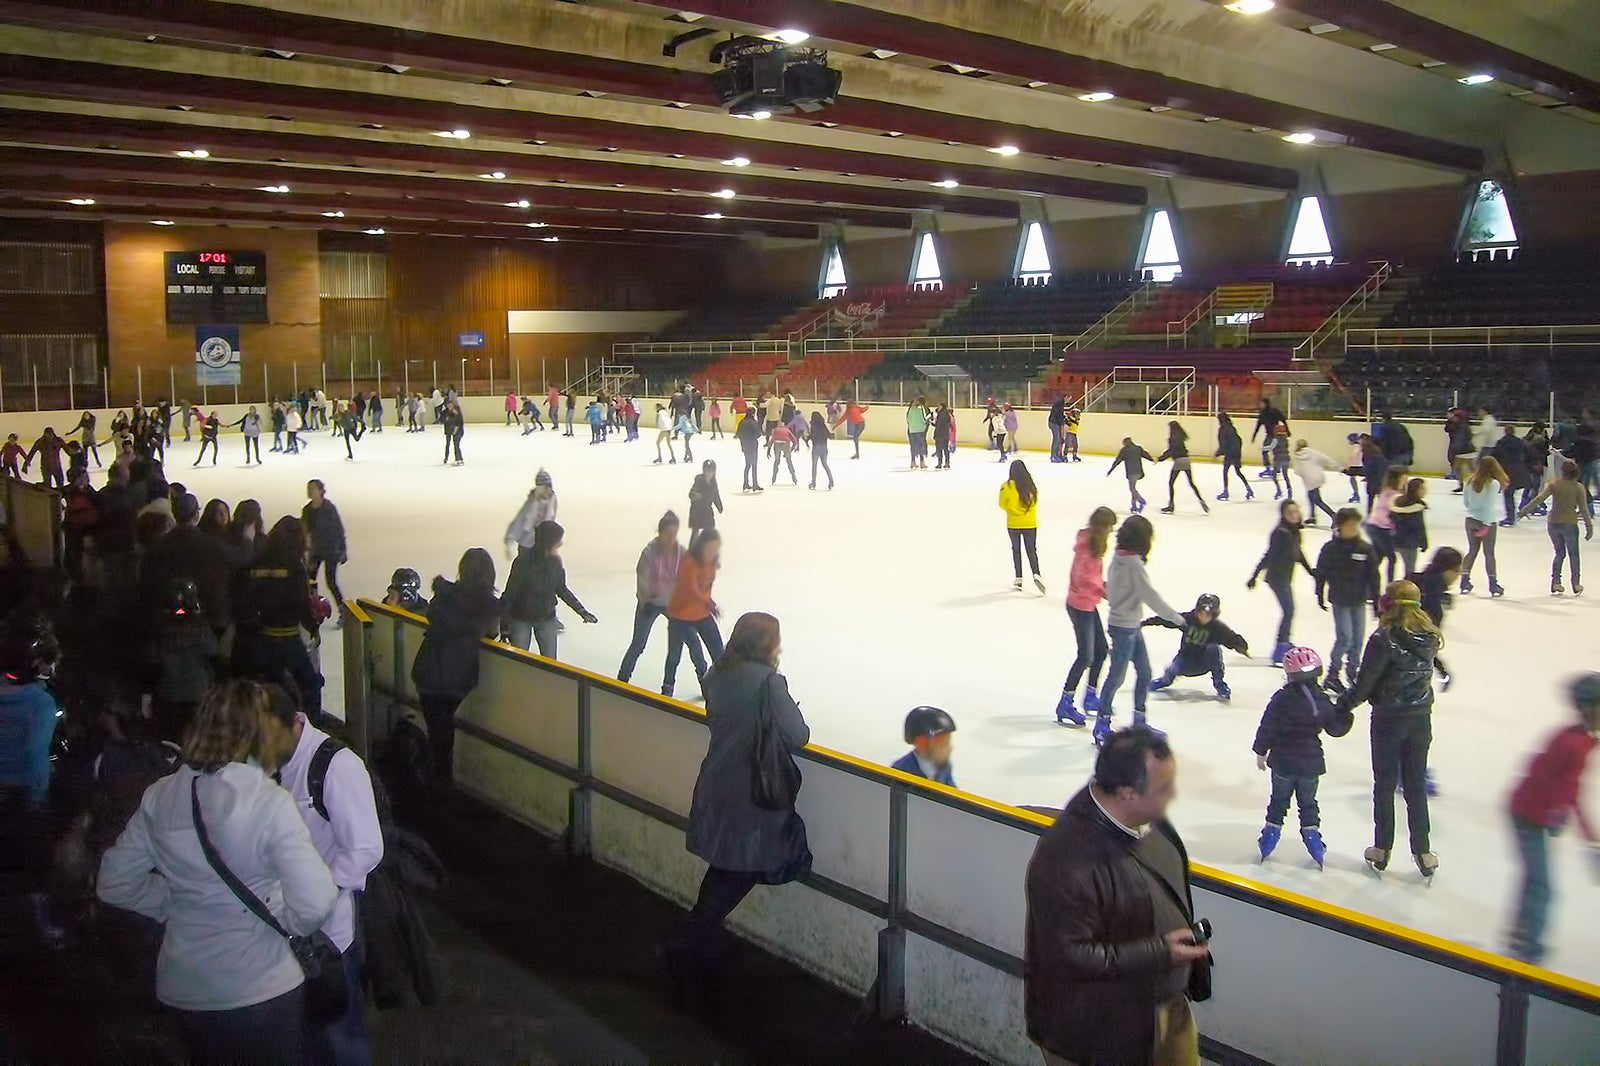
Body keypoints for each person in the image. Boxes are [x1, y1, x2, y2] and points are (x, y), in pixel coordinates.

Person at [97, 681, 339, 1066]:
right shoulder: (266, 801)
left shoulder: (161, 795)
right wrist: (283, 919)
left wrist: (171, 903)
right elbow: (316, 901)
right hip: (262, 987)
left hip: (186, 989)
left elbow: (113, 882)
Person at [1024, 727, 1210, 1066]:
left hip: (1164, 1009)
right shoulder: (1065, 859)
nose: (1173, 797)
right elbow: (1067, 956)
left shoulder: (1150, 823)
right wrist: (1160, 952)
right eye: (1164, 789)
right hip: (1099, 1035)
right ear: (1127, 794)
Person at [668, 613, 810, 996]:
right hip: (752, 791)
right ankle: (693, 938)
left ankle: (700, 936)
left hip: (719, 781)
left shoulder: (716, 675)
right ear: (767, 644)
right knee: (745, 864)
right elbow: (799, 735)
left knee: (728, 863)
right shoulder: (768, 682)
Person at [265, 685, 383, 1065]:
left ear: (292, 723)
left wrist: (312, 894)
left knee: (336, 1040)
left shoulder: (335, 765)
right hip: (279, 935)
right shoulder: (268, 764)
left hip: (326, 939)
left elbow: (366, 849)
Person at [1338, 580, 1444, 880]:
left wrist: (1341, 707)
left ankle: (1382, 848)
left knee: (1384, 785)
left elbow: (1364, 684)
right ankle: (1423, 851)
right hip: (1421, 718)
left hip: (1388, 719)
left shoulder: (1383, 639)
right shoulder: (1430, 637)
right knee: (1414, 786)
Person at [1505, 674, 1600, 966]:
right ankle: (1527, 946)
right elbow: (1561, 788)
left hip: (1529, 812)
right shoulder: (1574, 744)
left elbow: (1544, 773)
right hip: (1527, 816)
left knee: (1535, 880)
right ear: (1589, 708)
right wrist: (1586, 835)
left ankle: (1521, 933)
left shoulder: (1576, 738)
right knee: (1542, 887)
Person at [1252, 646, 1351, 868]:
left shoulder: (1281, 699)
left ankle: (1269, 838)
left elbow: (1267, 726)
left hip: (1282, 762)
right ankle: (1313, 840)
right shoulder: (1321, 700)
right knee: (1308, 804)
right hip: (1310, 764)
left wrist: (1260, 751)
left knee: (1278, 802)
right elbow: (1335, 728)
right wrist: (1347, 713)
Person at [411, 549, 500, 789]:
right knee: (443, 732)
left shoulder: (444, 595)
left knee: (438, 731)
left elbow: (432, 614)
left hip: (429, 672)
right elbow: (492, 632)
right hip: (457, 678)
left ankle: (437, 781)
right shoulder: (488, 605)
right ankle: (440, 786)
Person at [1094, 515, 1186, 746]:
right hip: (1123, 627)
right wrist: (1176, 619)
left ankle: (1139, 722)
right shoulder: (1132, 564)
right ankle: (1101, 724)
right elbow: (1150, 595)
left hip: (1130, 625)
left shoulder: (1119, 558)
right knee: (1117, 675)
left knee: (1144, 672)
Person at [1055, 507, 1116, 727]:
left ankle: (1090, 694)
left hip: (1087, 603)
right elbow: (1083, 579)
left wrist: (1103, 587)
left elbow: (1092, 579)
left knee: (1100, 651)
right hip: (1079, 605)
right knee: (1086, 656)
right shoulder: (1087, 546)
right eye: (1109, 528)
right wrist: (1104, 591)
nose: (1111, 532)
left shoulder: (1093, 543)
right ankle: (1066, 701)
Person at [500, 520, 597, 658]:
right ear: (549, 542)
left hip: (546, 617)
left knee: (551, 662)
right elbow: (510, 593)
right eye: (559, 540)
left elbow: (562, 589)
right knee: (519, 660)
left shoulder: (555, 562)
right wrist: (504, 626)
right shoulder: (523, 562)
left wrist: (582, 611)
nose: (561, 543)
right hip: (521, 618)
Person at [1315, 508, 1381, 694]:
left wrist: (1376, 601)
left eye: (1356, 524)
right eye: (1349, 525)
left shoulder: (1365, 549)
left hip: (1358, 599)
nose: (1353, 528)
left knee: (1358, 639)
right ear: (1340, 526)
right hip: (1340, 599)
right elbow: (1321, 573)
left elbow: (1374, 576)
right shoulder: (1331, 549)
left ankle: (1353, 671)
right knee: (1345, 637)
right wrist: (1319, 593)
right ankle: (1332, 675)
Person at [617, 512, 684, 685]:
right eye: (668, 533)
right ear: (660, 532)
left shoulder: (681, 552)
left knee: (688, 643)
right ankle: (622, 679)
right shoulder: (649, 553)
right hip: (650, 603)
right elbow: (642, 579)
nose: (671, 538)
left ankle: (676, 683)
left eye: (674, 533)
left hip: (673, 604)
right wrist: (645, 600)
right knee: (638, 644)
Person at [1146, 593, 1249, 702]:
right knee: (1171, 672)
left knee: (1213, 648)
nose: (1204, 617)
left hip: (1204, 663)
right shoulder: (1187, 620)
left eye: (1208, 615)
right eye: (1201, 613)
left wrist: (1241, 646)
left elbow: (1232, 638)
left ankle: (1219, 682)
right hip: (1185, 661)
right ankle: (1165, 680)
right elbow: (1166, 619)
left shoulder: (1218, 628)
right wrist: (1146, 622)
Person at [1248, 500, 1314, 664]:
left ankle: (1284, 642)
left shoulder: (1294, 531)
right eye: (1290, 512)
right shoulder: (1280, 533)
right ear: (1283, 515)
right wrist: (1255, 575)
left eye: (1296, 512)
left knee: (1289, 611)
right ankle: (1281, 646)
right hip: (1278, 577)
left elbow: (1298, 554)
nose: (1294, 515)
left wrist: (1312, 572)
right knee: (1289, 610)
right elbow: (1269, 555)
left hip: (1285, 576)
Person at [663, 530, 725, 698]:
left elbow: (706, 588)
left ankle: (720, 688)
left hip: (702, 613)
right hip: (680, 614)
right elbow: (692, 589)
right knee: (674, 656)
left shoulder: (712, 561)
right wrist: (710, 603)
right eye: (710, 548)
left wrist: (708, 604)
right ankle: (667, 690)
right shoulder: (689, 561)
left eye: (715, 549)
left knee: (719, 653)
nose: (712, 552)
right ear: (702, 546)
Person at [1518, 460, 1594, 595]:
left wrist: (1525, 509)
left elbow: (1539, 499)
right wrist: (1589, 526)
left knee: (1560, 553)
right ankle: (1576, 583)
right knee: (1574, 555)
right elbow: (1583, 509)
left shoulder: (1554, 485)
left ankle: (1556, 582)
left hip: (1553, 523)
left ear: (1562, 472)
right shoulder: (1578, 487)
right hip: (1570, 523)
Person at [1460, 455, 1508, 596]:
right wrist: (1486, 525)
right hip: (1486, 521)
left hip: (1470, 520)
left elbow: (1466, 503)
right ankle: (1493, 584)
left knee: (1472, 551)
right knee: (1489, 553)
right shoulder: (1493, 484)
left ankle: (1464, 580)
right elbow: (1489, 505)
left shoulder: (1469, 481)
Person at [303, 479, 348, 617]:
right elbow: (304, 532)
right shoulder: (307, 510)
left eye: (313, 488)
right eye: (308, 488)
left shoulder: (329, 508)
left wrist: (342, 549)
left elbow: (339, 529)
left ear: (321, 490)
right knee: (309, 582)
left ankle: (343, 610)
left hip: (330, 551)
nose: (310, 491)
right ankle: (312, 608)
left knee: (331, 582)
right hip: (315, 551)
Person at [999, 459, 1045, 593]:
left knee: (1016, 549)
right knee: (1031, 549)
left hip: (1013, 524)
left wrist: (1012, 509)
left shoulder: (1006, 487)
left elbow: (1001, 504)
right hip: (1030, 523)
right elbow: (1035, 500)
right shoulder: (1031, 486)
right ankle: (1036, 574)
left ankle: (1018, 577)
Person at [892, 706, 956, 786]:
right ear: (922, 744)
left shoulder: (944, 767)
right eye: (944, 744)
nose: (950, 749)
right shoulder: (901, 772)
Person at [504, 470, 559, 559]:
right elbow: (520, 520)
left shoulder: (552, 500)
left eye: (547, 488)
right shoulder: (532, 503)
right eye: (543, 488)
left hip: (545, 544)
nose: (546, 491)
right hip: (527, 544)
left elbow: (551, 521)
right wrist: (510, 541)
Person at [1157, 422, 1209, 515]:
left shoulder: (1173, 439)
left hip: (1178, 461)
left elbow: (1171, 451)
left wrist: (1161, 458)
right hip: (1186, 460)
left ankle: (1171, 505)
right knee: (1191, 483)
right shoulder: (1181, 437)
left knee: (1171, 483)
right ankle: (1201, 500)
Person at [1365, 468, 1403, 583]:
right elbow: (1393, 510)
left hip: (1374, 526)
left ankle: (1370, 585)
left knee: (1379, 557)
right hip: (1381, 528)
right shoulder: (1394, 494)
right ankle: (1389, 585)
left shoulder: (1385, 490)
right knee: (1391, 558)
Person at [1292, 438, 1340, 524]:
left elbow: (1297, 471)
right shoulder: (1313, 452)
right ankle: (1312, 516)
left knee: (1317, 500)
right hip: (1318, 477)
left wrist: (1304, 472)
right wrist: (1339, 468)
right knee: (1310, 496)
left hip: (1309, 480)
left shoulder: (1297, 456)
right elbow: (1326, 459)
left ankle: (1333, 515)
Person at [1390, 478, 1430, 579]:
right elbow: (1419, 526)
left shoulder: (1398, 502)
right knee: (1410, 570)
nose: (1425, 490)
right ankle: (1405, 590)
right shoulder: (1417, 507)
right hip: (1409, 543)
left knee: (1392, 565)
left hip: (1395, 539)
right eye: (1422, 488)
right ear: (1415, 490)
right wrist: (1424, 542)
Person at [1492, 425, 1531, 526]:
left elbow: (1494, 456)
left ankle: (1510, 517)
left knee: (1508, 493)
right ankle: (1520, 511)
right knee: (1514, 492)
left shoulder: (1501, 443)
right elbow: (1529, 454)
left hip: (1507, 471)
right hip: (1520, 470)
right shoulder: (1520, 442)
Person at [1108, 436, 1154, 513]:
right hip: (1139, 472)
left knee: (1132, 488)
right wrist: (1153, 459)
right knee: (1133, 488)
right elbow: (1146, 455)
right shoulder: (1138, 448)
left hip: (1131, 472)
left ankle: (1141, 500)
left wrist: (1111, 470)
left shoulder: (1124, 450)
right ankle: (1134, 506)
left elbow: (1117, 461)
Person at [1213, 413, 1253, 502]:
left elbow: (1223, 443)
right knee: (1238, 472)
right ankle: (1248, 489)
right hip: (1236, 453)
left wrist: (1218, 453)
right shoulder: (1232, 428)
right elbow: (1239, 440)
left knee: (1225, 472)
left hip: (1229, 454)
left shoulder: (1223, 430)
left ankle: (1226, 491)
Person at [688, 460, 723, 547]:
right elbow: (692, 493)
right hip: (697, 510)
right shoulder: (699, 480)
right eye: (707, 470)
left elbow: (715, 495)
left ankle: (708, 547)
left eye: (711, 471)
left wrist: (719, 506)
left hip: (707, 509)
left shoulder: (713, 483)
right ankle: (691, 551)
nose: (709, 473)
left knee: (710, 529)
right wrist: (696, 496)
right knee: (695, 532)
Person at [1251, 397, 1287, 476]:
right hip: (1275, 434)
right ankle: (1275, 468)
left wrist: (1254, 436)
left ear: (1265, 404)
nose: (1260, 405)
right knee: (1274, 451)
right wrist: (1287, 430)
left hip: (1272, 435)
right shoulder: (1272, 411)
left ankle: (1269, 468)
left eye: (1261, 403)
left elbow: (1258, 426)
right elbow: (1283, 419)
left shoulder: (1264, 413)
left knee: (1265, 451)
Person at [735, 409, 763, 492]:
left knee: (747, 465)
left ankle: (745, 483)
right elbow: (758, 434)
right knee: (754, 465)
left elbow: (738, 434)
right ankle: (755, 484)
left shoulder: (742, 422)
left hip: (745, 446)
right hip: (753, 446)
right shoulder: (753, 423)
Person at [807, 411, 834, 490]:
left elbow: (813, 436)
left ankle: (813, 483)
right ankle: (831, 480)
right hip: (824, 447)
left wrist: (808, 438)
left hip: (816, 447)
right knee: (825, 464)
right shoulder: (823, 426)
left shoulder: (813, 426)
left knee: (814, 465)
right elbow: (829, 435)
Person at [767, 417, 799, 485]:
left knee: (777, 461)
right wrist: (791, 449)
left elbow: (772, 440)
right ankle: (794, 477)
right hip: (786, 444)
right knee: (789, 461)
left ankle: (774, 478)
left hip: (777, 443)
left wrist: (768, 450)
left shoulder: (775, 430)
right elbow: (795, 441)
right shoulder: (787, 430)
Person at [907, 395, 930, 470]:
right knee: (920, 446)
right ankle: (922, 462)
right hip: (920, 430)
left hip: (912, 430)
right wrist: (929, 416)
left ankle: (913, 461)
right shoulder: (921, 409)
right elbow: (924, 419)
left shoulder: (910, 410)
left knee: (913, 446)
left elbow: (908, 419)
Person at [931, 401, 954, 471]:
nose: (938, 407)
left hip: (940, 434)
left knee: (939, 449)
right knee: (945, 449)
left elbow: (939, 425)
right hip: (945, 434)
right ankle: (947, 463)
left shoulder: (941, 415)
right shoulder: (947, 414)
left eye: (939, 406)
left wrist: (934, 426)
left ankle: (940, 463)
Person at [1342, 432, 1364, 503]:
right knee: (1352, 479)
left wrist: (1349, 465)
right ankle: (1356, 494)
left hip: (1355, 466)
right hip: (1357, 465)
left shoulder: (1356, 446)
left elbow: (1353, 455)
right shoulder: (1359, 446)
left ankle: (1356, 494)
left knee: (1352, 479)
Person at [441, 400, 465, 465]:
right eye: (448, 405)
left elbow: (460, 422)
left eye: (451, 405)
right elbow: (441, 420)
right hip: (449, 430)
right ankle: (446, 458)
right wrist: (445, 419)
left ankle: (459, 459)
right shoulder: (445, 412)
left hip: (457, 431)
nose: (449, 406)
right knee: (448, 444)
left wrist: (456, 429)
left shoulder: (457, 412)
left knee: (456, 444)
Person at [1048, 396, 1067, 463]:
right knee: (1057, 439)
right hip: (1054, 423)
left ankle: (1057, 454)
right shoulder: (1060, 403)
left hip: (1055, 422)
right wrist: (1061, 422)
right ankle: (1053, 456)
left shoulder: (1060, 402)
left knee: (1059, 439)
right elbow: (1058, 414)